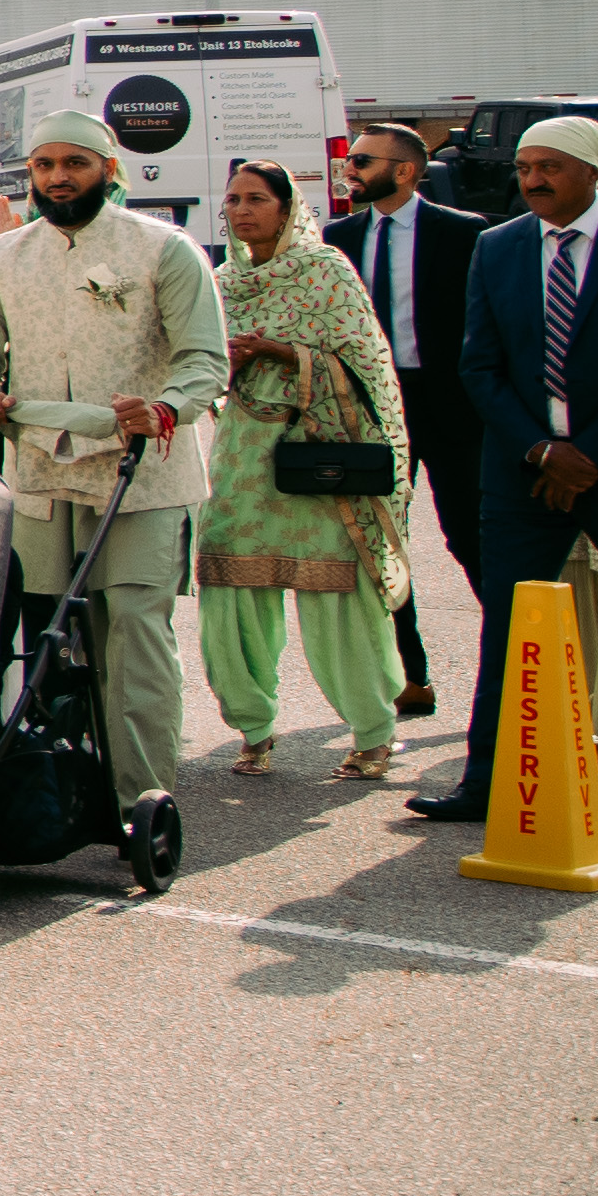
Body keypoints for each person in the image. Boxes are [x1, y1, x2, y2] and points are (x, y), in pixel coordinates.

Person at [0, 108, 225, 826]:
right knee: (40, 635)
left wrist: (165, 407)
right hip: (40, 474)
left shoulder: (164, 249)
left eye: (75, 163)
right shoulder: (4, 257)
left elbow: (203, 360)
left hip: (142, 473)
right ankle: (51, 796)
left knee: (132, 630)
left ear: (109, 169)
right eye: (44, 165)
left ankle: (141, 802)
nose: (59, 178)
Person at [419, 115, 598, 827]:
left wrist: (591, 455)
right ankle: (485, 779)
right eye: (525, 168)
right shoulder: (498, 246)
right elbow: (480, 366)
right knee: (508, 625)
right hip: (526, 469)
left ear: (593, 172)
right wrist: (544, 452)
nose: (533, 181)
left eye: (550, 167)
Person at [201, 157, 409, 782]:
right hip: (242, 455)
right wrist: (227, 365)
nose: (241, 211)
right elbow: (194, 368)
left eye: (256, 199)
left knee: (335, 588)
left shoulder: (325, 271)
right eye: (233, 200)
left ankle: (372, 732)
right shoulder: (219, 282)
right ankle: (253, 728)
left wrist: (282, 352)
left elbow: (367, 364)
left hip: (321, 454)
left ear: (288, 210)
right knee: (229, 585)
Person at [328, 124, 491, 718]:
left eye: (362, 161)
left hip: (448, 405)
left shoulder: (466, 233)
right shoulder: (337, 239)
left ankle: (520, 663)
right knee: (380, 540)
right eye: (350, 160)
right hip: (369, 406)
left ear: (404, 171)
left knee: (470, 536)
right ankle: (409, 675)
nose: (350, 170)